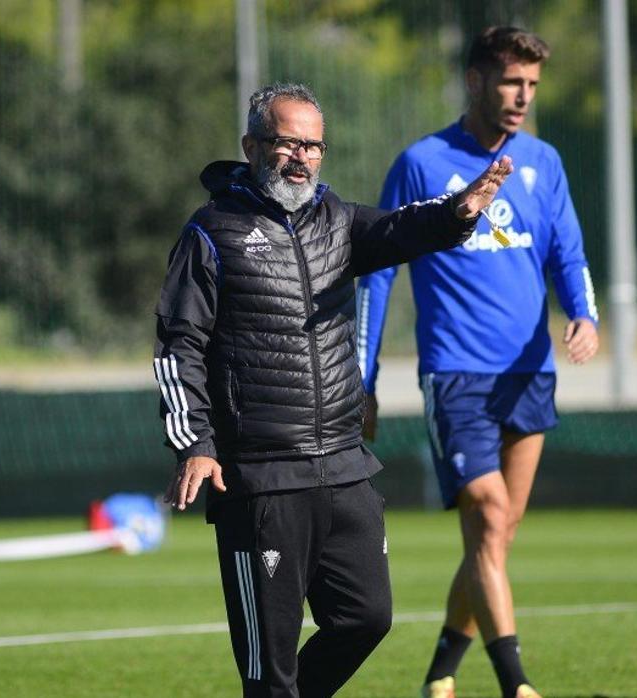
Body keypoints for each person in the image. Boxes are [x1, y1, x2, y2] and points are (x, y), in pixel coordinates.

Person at [153, 82, 513, 697]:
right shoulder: (211, 231)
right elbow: (177, 343)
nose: (302, 157)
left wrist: (458, 212)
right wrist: (196, 444)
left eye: (314, 146)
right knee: (270, 665)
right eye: (288, 142)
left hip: (345, 470)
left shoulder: (337, 218)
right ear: (251, 145)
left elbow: (402, 230)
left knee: (366, 618)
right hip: (261, 480)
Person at [356, 27, 599, 698]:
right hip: (456, 372)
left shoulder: (544, 162)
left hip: (530, 371)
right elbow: (377, 274)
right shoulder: (421, 163)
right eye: (510, 82)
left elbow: (567, 254)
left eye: (531, 86)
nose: (522, 97)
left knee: (496, 537)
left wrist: (585, 313)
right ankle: (516, 683)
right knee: (489, 518)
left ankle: (440, 672)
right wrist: (363, 380)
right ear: (475, 81)